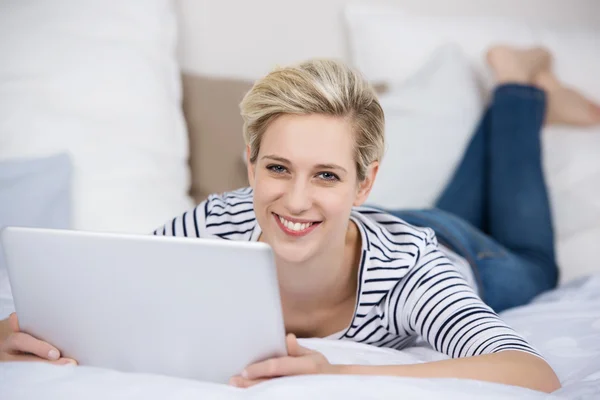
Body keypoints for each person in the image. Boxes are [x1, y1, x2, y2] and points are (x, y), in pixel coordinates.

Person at [2, 46, 599, 392]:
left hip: (468, 255)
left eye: (326, 173)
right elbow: (109, 293)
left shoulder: (412, 269)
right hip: (362, 220)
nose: (292, 199)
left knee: (537, 262)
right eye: (278, 168)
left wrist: (336, 373)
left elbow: (534, 372)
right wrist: (15, 329)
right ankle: (514, 93)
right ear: (250, 162)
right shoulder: (214, 226)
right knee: (428, 203)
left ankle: (519, 84)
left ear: (365, 181)